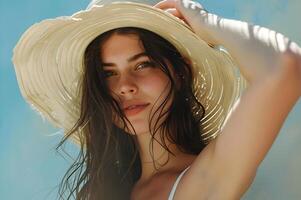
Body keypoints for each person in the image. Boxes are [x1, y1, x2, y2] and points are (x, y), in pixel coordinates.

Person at [12, 0, 301, 199]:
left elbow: (283, 66)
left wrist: (206, 23)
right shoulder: (103, 190)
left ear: (180, 72)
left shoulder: (205, 179)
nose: (125, 86)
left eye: (142, 65)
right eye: (108, 73)